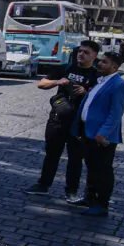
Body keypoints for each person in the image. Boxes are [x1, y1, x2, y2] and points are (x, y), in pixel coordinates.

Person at [24, 40, 99, 201]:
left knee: (75, 158)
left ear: (94, 56)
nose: (81, 54)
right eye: (80, 51)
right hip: (58, 119)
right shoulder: (66, 68)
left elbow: (100, 99)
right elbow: (42, 83)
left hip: (79, 124)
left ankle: (71, 191)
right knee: (52, 153)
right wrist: (58, 82)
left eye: (86, 52)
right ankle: (43, 185)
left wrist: (86, 92)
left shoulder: (96, 75)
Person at [72, 52, 124, 218]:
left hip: (101, 136)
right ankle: (90, 197)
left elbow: (115, 113)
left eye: (104, 62)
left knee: (102, 170)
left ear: (114, 67)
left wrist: (103, 133)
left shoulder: (119, 84)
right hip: (88, 131)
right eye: (100, 61)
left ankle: (102, 204)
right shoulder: (101, 80)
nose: (100, 64)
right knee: (92, 167)